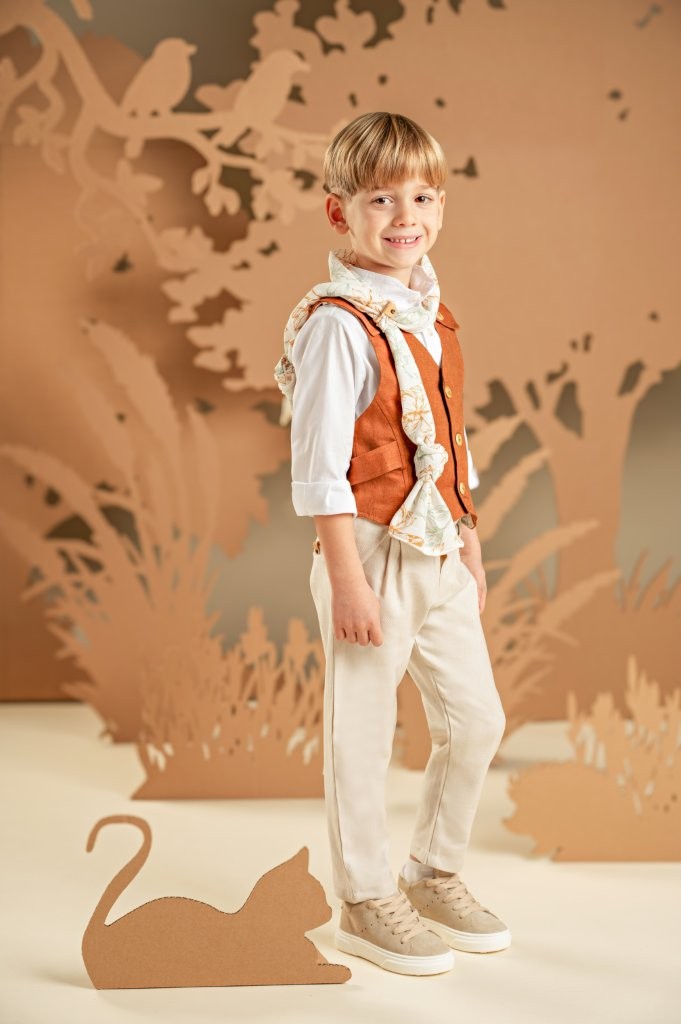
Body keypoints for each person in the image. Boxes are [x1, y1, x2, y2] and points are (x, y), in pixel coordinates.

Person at [275, 112, 510, 977]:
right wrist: (347, 581)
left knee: (476, 719)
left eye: (421, 197)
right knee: (362, 737)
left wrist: (468, 537)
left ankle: (431, 872)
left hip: (437, 544)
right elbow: (319, 467)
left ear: (440, 206)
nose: (404, 215)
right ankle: (364, 899)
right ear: (339, 212)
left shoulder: (429, 313)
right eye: (380, 199)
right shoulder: (338, 324)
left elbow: (445, 436)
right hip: (370, 552)